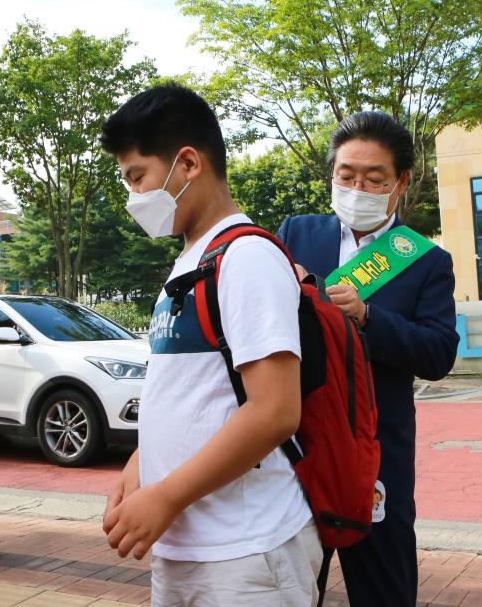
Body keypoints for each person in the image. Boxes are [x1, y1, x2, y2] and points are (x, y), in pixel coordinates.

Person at [99, 83, 321, 606]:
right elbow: (194, 394)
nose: (134, 197)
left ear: (188, 164)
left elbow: (273, 412)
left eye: (138, 177)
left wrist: (166, 496)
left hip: (246, 554)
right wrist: (140, 470)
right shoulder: (192, 261)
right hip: (191, 546)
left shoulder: (245, 257)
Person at [277, 111, 459, 607]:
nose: (357, 187)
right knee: (286, 588)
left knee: (384, 589)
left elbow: (439, 352)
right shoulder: (295, 234)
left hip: (376, 454)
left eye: (373, 178)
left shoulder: (424, 260)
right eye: (346, 175)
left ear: (400, 182)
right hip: (296, 445)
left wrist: (368, 316)